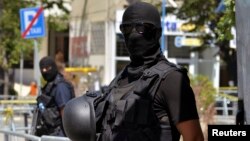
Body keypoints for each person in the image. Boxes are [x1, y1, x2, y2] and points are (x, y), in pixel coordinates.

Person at [63, 2, 204, 141]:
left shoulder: (171, 79)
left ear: (157, 33)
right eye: (127, 28)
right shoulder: (121, 78)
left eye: (142, 27)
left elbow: (194, 137)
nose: (133, 34)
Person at [33, 56, 75, 137]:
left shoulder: (60, 87)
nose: (45, 71)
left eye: (48, 68)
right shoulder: (49, 86)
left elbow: (65, 113)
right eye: (43, 69)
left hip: (60, 134)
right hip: (49, 133)